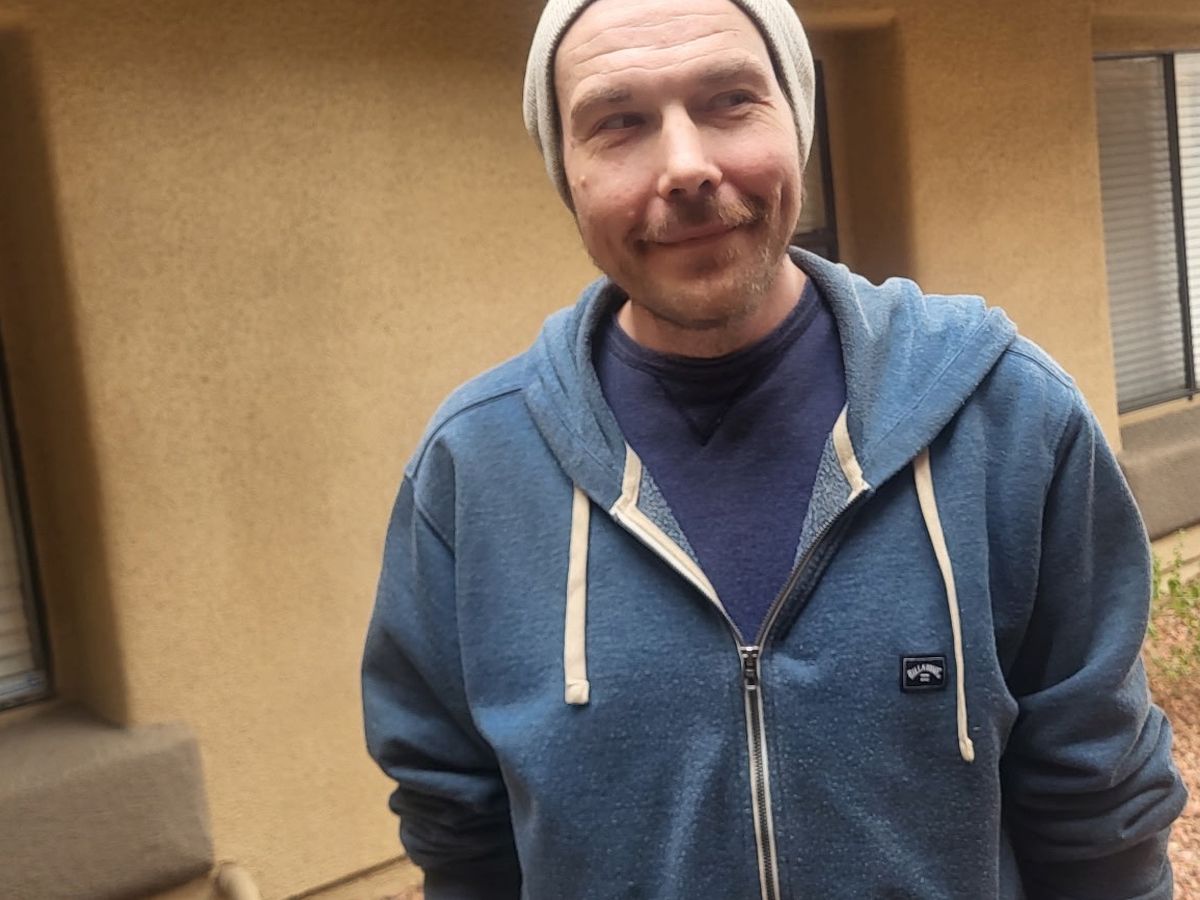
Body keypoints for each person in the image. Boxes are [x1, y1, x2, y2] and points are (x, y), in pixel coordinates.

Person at [362, 0, 1188, 896]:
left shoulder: (1008, 419)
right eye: (619, 121)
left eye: (730, 100)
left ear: (796, 119)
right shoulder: (473, 471)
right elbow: (460, 837)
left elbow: (1099, 812)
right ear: (567, 173)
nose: (686, 165)